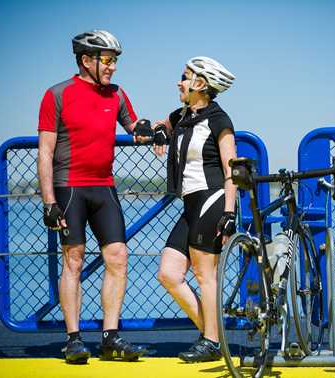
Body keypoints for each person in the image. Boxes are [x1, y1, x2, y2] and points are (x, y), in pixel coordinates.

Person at [37, 29, 155, 364]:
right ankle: (73, 340)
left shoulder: (116, 95)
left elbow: (135, 129)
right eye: (108, 60)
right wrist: (49, 201)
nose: (113, 67)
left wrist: (157, 129)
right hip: (68, 186)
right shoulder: (57, 94)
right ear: (86, 60)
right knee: (73, 260)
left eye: (115, 60)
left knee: (117, 257)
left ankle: (110, 336)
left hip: (104, 187)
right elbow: (45, 152)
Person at [153, 56, 238, 362]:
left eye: (185, 77)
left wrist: (229, 213)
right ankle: (213, 337)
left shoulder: (219, 120)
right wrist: (161, 129)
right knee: (169, 273)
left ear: (201, 85)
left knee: (206, 276)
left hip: (213, 200)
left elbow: (232, 170)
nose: (179, 82)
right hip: (189, 204)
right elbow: (163, 123)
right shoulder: (184, 114)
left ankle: (212, 341)